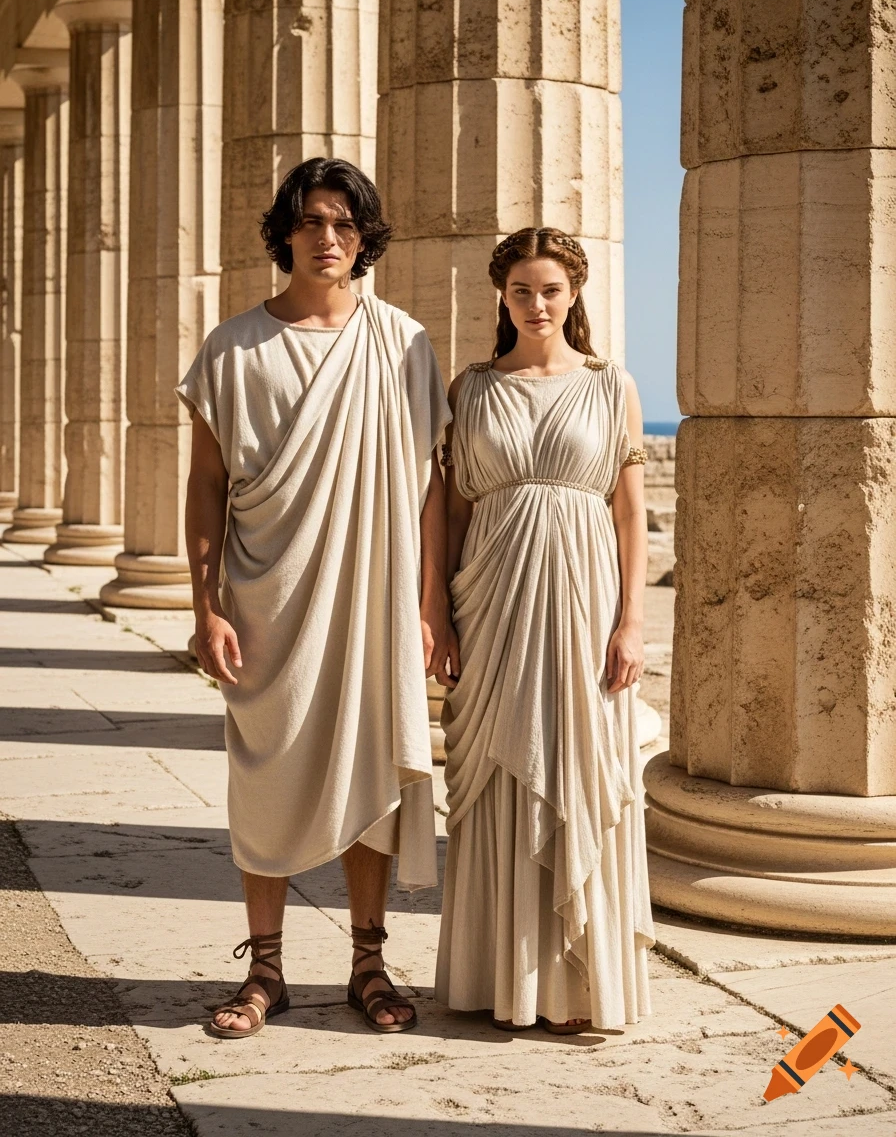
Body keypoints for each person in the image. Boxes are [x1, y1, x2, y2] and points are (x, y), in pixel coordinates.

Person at [177, 158, 452, 1038]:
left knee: (371, 774)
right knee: (264, 780)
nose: (326, 239)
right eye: (310, 222)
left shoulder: (402, 341)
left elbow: (429, 488)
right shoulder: (231, 347)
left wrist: (427, 606)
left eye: (344, 223)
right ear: (284, 233)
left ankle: (368, 963)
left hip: (373, 598)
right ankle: (265, 972)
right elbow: (206, 485)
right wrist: (205, 606)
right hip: (267, 595)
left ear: (366, 237)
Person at [435, 227, 655, 1033]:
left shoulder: (612, 386)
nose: (537, 304)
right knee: (497, 776)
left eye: (552, 290)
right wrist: (436, 611)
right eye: (522, 290)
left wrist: (632, 621)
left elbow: (630, 513)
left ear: (575, 294)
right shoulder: (471, 388)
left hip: (585, 601)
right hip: (490, 601)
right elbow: (449, 512)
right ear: (501, 294)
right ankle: (501, 980)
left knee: (579, 766)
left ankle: (576, 985)